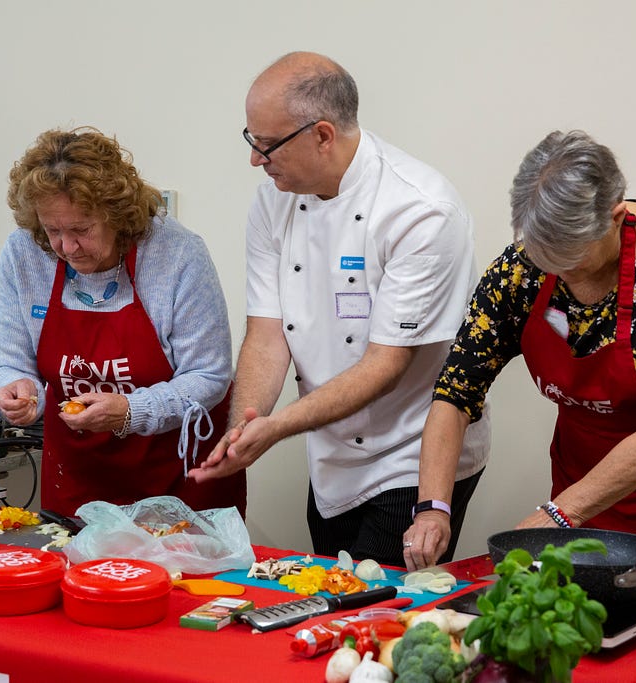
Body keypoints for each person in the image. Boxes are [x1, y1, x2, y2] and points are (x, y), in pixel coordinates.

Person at [404, 130, 636, 650]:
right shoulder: (521, 269)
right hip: (587, 471)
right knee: (582, 631)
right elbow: (457, 389)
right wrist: (433, 504)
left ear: (615, 218)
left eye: (571, 259)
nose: (559, 275)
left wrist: (555, 514)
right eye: (544, 258)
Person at [189, 52, 490, 567]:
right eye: (252, 141)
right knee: (333, 592)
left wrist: (278, 427)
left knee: (375, 609)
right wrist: (243, 429)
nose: (256, 161)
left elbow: (385, 364)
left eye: (266, 146)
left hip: (413, 451)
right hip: (330, 452)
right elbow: (267, 334)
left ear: (322, 135)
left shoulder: (420, 210)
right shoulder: (273, 203)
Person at [0, 127, 246, 518]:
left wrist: (129, 411)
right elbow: (7, 360)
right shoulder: (24, 253)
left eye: (81, 230)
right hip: (78, 482)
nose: (66, 247)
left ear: (117, 216)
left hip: (178, 481)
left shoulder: (177, 254)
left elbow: (208, 374)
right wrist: (14, 387)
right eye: (53, 230)